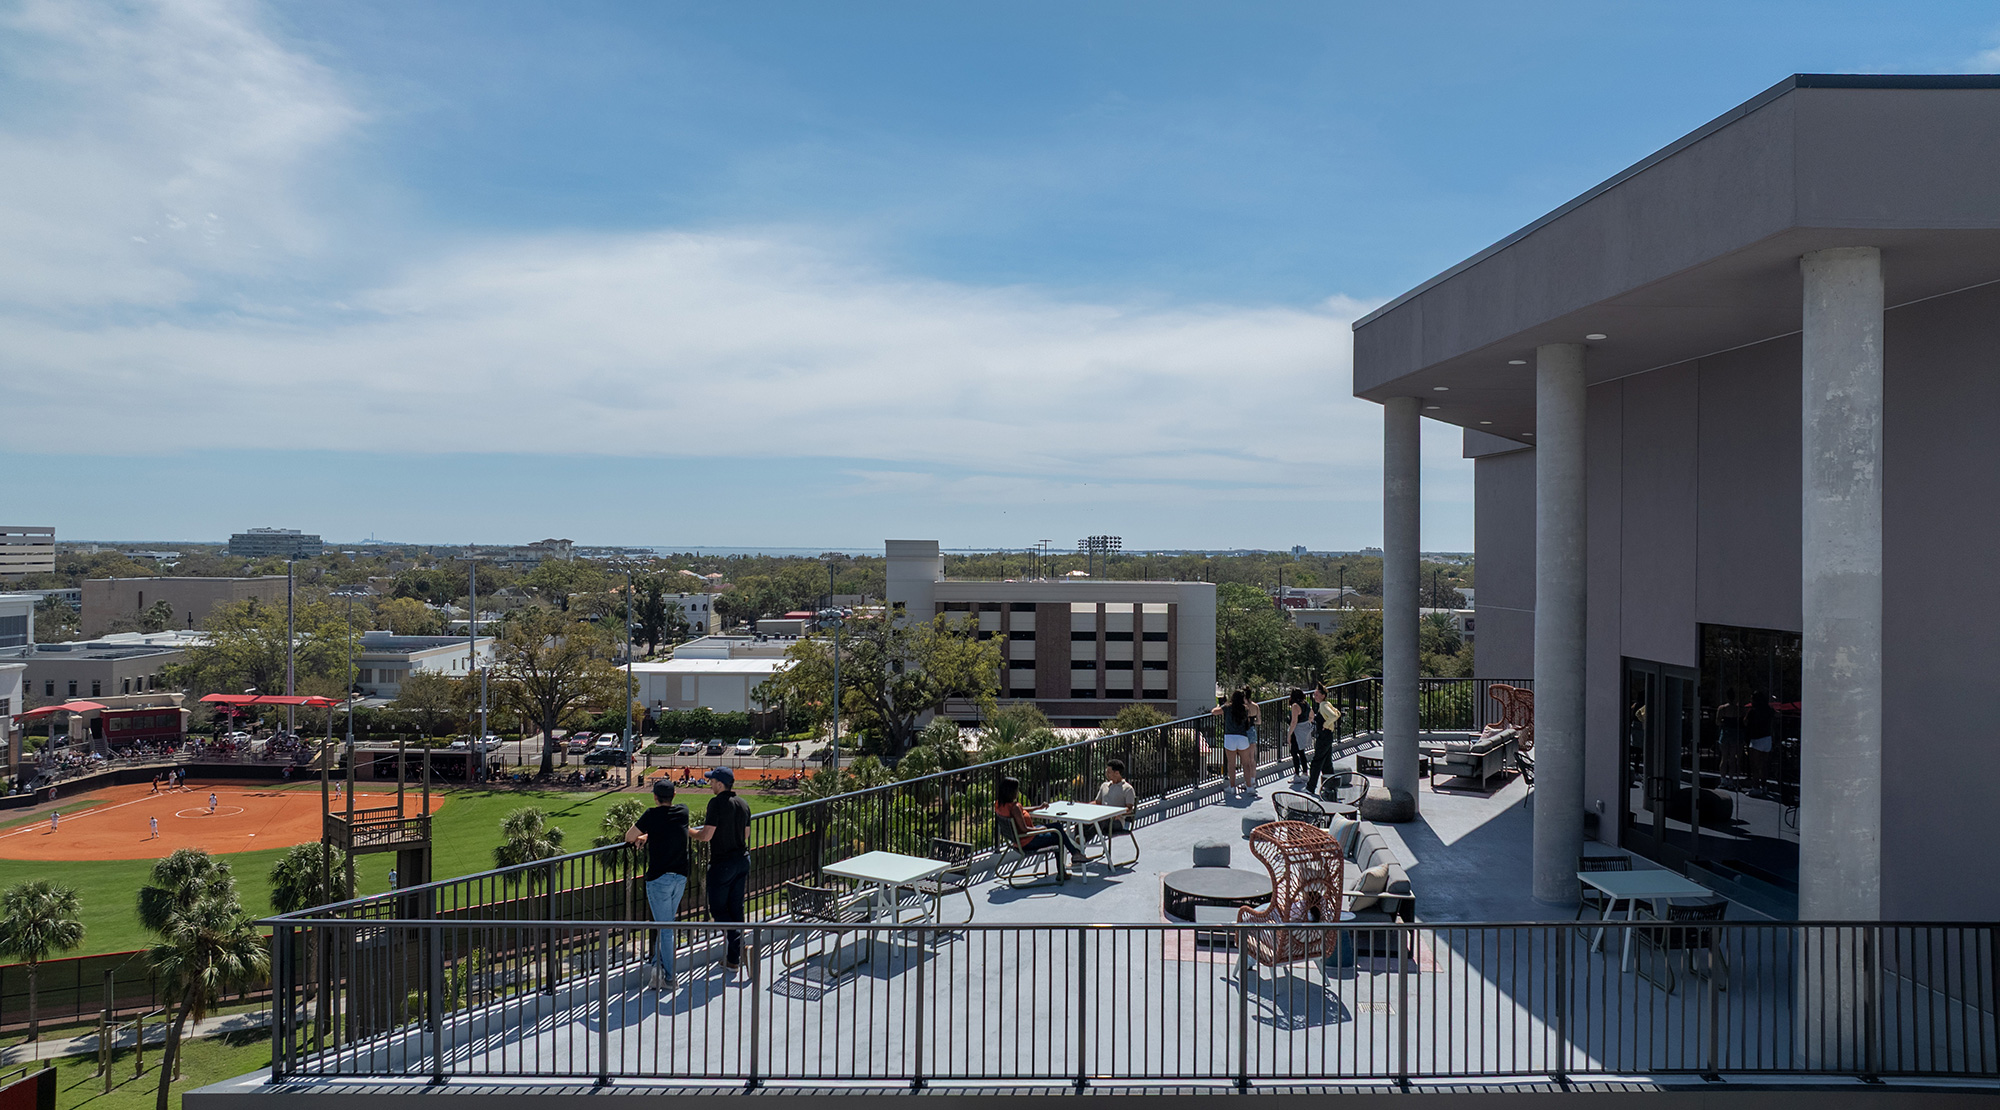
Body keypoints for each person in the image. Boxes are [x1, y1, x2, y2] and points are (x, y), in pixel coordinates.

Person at [625, 778, 692, 992]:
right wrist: (649, 835)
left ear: (655, 797)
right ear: (674, 796)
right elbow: (669, 828)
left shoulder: (651, 815)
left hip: (659, 879)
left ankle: (670, 978)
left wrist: (644, 836)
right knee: (666, 924)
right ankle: (657, 969)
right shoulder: (683, 811)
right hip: (679, 877)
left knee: (665, 929)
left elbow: (629, 837)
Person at [688, 768, 753, 974]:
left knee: (717, 909)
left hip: (723, 863)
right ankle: (733, 960)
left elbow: (706, 836)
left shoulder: (716, 803)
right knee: (736, 908)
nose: (710, 784)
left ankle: (740, 946)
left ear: (720, 784)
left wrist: (688, 831)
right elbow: (746, 834)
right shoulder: (743, 803)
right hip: (742, 860)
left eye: (712, 781)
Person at [994, 776, 1085, 874]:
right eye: (1017, 789)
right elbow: (1024, 829)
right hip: (1027, 840)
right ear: (1011, 791)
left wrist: (1038, 807)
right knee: (1058, 837)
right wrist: (1040, 829)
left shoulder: (1000, 805)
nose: (1018, 792)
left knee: (1057, 826)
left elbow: (1021, 810)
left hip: (1019, 840)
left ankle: (1075, 853)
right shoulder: (1015, 807)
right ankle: (1064, 870)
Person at [1209, 688, 1259, 797]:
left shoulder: (1227, 708)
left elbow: (1214, 712)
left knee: (1231, 765)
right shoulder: (1245, 709)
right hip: (1242, 737)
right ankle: (1249, 787)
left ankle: (1232, 787)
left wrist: (1219, 705)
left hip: (1230, 737)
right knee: (1246, 764)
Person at [1306, 683, 1343, 798]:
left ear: (1323, 695)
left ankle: (1310, 787)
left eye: (1317, 695)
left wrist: (1325, 725)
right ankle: (1331, 787)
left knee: (1316, 762)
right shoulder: (1327, 704)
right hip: (1327, 736)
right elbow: (1338, 713)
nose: (1315, 697)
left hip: (1323, 736)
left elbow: (1334, 716)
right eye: (1314, 695)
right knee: (1327, 764)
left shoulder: (1323, 705)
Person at [1096, 759, 1137, 833]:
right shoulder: (1104, 786)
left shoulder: (1127, 788)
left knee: (1098, 823)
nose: (1106, 774)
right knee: (1082, 823)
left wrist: (1118, 814)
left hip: (1116, 821)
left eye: (1109, 772)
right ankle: (1079, 838)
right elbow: (1097, 802)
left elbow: (1129, 809)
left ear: (1117, 773)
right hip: (1102, 817)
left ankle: (1082, 838)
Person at [1286, 689, 1312, 781]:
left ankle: (1296, 774)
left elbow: (1294, 722)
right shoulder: (1306, 704)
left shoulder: (1295, 706)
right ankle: (1305, 772)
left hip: (1297, 731)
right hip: (1304, 730)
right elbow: (1312, 716)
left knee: (1294, 752)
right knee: (1301, 752)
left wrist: (1289, 734)